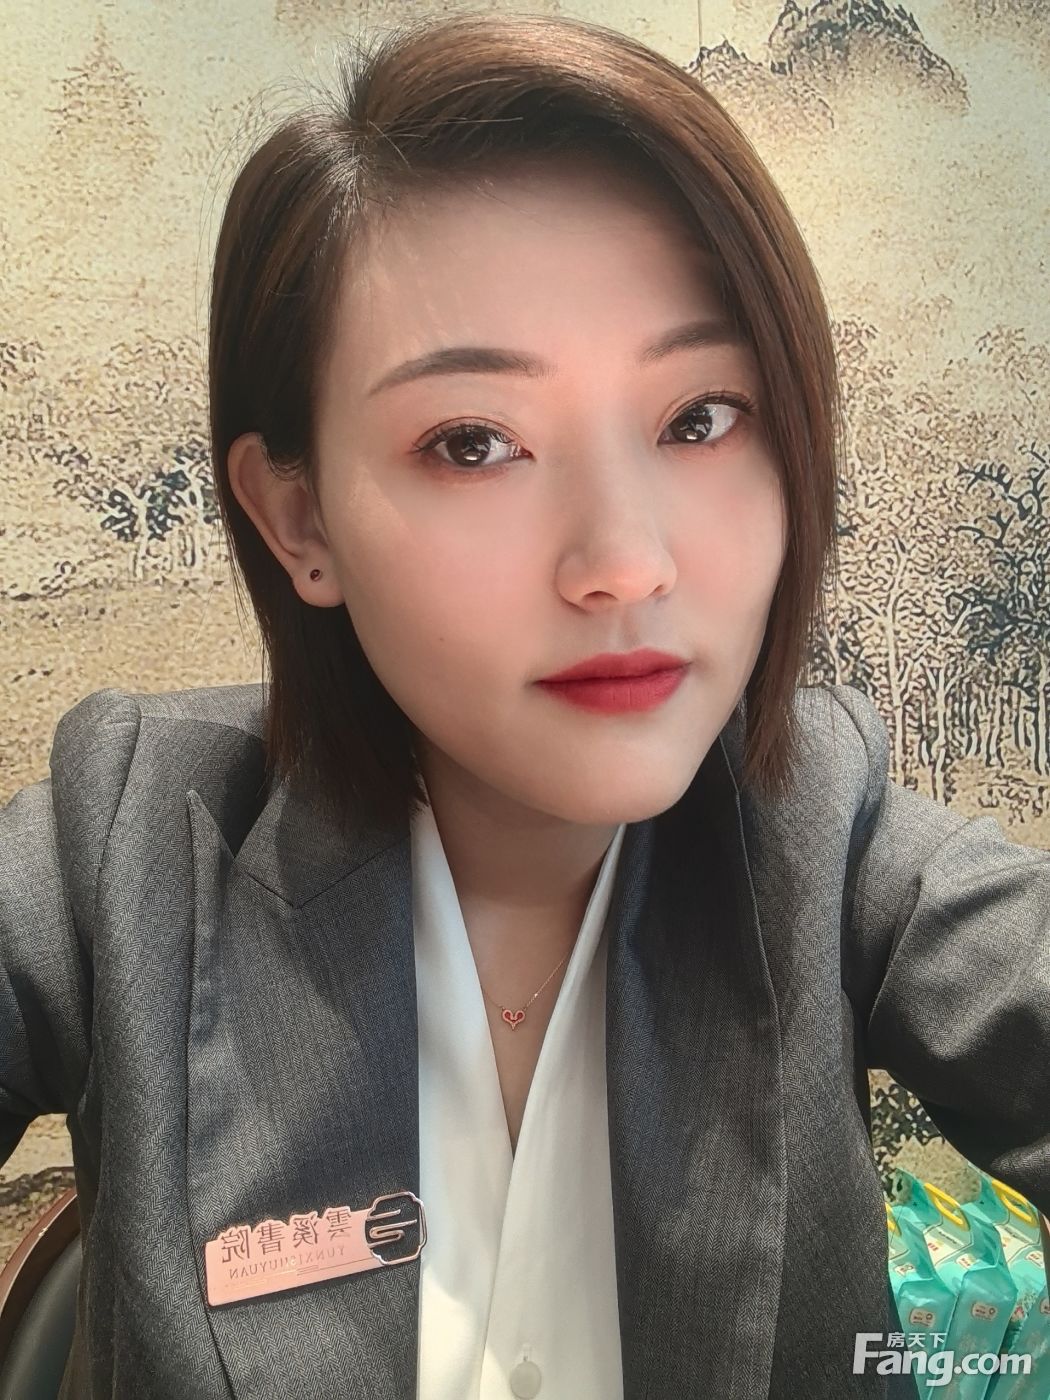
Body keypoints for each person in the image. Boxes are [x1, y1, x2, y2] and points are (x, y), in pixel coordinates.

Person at [1, 12, 1046, 1400]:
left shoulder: (834, 842)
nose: (625, 561)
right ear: (298, 517)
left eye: (698, 419)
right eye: (474, 443)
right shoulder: (118, 854)